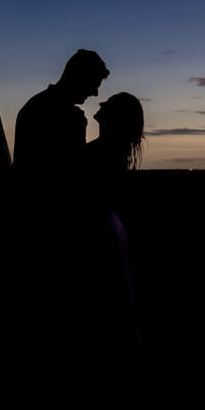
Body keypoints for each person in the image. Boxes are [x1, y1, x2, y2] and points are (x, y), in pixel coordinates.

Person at [80, 92, 145, 347]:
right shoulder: (110, 152)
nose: (101, 101)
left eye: (110, 102)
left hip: (100, 231)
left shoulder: (101, 152)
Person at [12, 49, 109, 174]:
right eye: (94, 84)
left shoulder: (32, 105)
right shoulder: (72, 118)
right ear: (79, 77)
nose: (95, 93)